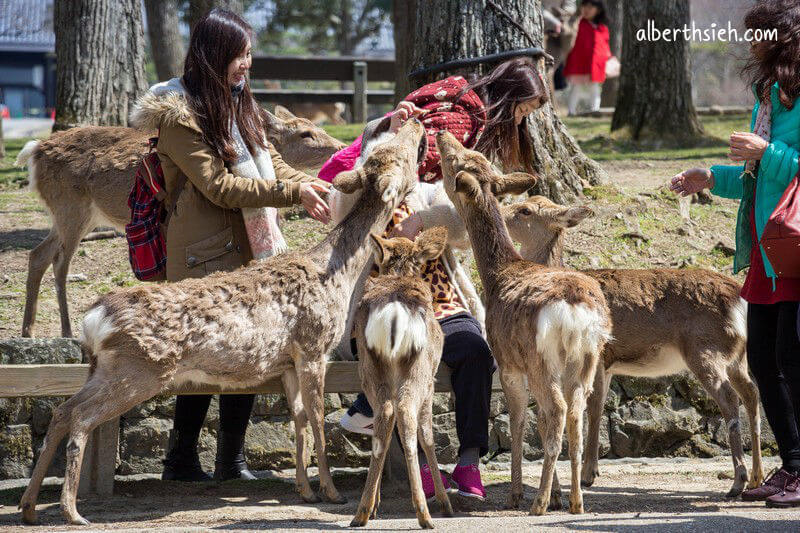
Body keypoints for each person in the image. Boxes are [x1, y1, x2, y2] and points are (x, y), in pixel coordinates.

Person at [319, 57, 549, 502]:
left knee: (476, 352)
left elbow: (465, 230)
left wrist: (425, 216)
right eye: (399, 151)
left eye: (413, 150)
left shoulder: (428, 193)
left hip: (441, 300)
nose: (409, 158)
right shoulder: (361, 202)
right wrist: (381, 155)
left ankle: (468, 462)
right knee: (409, 353)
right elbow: (339, 198)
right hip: (385, 302)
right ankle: (420, 466)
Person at [129, 8, 331, 482]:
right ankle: (179, 459)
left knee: (248, 351)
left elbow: (275, 164)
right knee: (199, 361)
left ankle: (231, 460)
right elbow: (218, 186)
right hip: (202, 256)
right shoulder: (178, 117)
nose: (247, 64)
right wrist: (290, 193)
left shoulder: (239, 104)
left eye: (250, 55)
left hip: (250, 255)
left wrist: (319, 187)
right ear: (213, 55)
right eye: (239, 55)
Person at [669, 0, 800, 508]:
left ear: (784, 40)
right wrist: (710, 177)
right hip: (768, 251)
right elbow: (756, 180)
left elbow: (780, 165)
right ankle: (791, 465)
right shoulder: (766, 97)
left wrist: (766, 152)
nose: (750, 43)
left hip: (795, 247)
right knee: (765, 363)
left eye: (760, 34)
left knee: (792, 357)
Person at [562, 0, 610, 115]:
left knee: (594, 88)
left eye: (590, 7)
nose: (586, 10)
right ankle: (571, 111)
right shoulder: (577, 24)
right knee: (576, 87)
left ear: (598, 10)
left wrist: (607, 60)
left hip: (596, 64)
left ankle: (595, 110)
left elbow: (605, 47)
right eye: (584, 6)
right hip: (578, 62)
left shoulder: (602, 28)